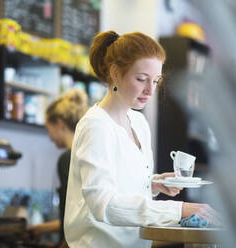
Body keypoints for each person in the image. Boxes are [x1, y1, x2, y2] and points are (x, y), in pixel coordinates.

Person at [64, 30, 221, 248]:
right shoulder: (96, 125)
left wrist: (153, 184)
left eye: (156, 81)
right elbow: (104, 203)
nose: (150, 90)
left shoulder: (139, 123)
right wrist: (179, 210)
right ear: (116, 73)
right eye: (141, 79)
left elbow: (122, 185)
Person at [35, 89, 88, 247]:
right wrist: (41, 229)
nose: (49, 136)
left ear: (59, 123)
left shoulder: (68, 158)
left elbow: (74, 215)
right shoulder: (85, 153)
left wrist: (65, 243)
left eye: (48, 127)